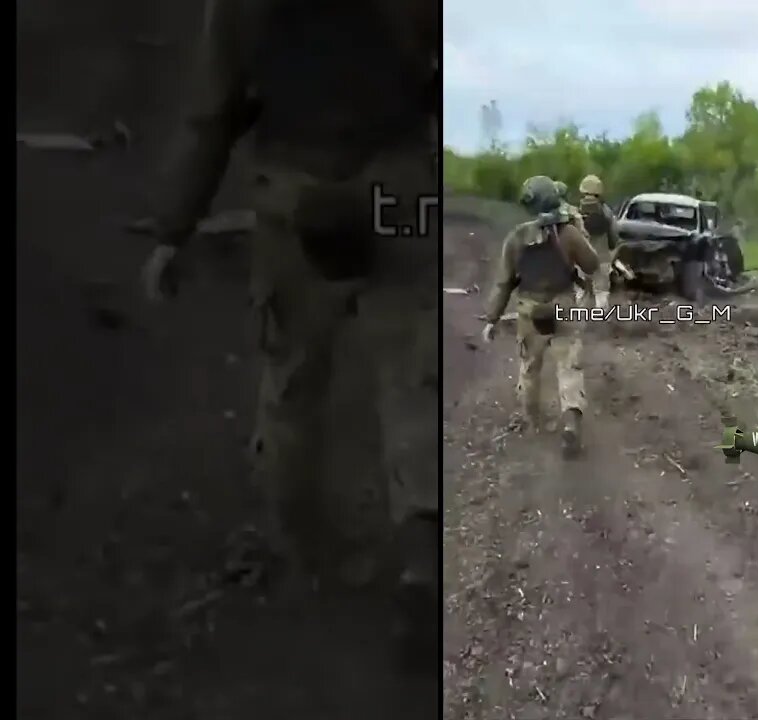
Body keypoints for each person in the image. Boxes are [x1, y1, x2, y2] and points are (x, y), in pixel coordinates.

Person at [137, 0, 440, 666]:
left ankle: (312, 552)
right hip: (399, 186)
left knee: (292, 378)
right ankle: (422, 558)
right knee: (416, 376)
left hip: (294, 195)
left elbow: (211, 115)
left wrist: (171, 230)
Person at [482, 176, 599, 457]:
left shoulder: (516, 238)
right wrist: (578, 231)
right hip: (563, 307)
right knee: (569, 367)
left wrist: (491, 319)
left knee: (530, 368)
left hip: (529, 312)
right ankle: (570, 423)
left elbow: (504, 283)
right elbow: (592, 264)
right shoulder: (569, 234)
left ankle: (533, 421)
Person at [576, 174, 621, 308]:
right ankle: (600, 322)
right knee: (601, 292)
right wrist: (611, 247)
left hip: (581, 257)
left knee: (581, 291)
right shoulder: (606, 211)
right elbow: (613, 235)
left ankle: (580, 319)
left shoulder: (576, 211)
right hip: (601, 257)